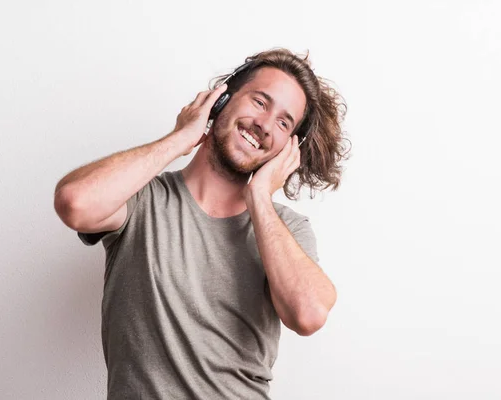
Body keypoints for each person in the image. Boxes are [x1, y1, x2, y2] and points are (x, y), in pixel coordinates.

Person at [54, 48, 350, 399]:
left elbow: (309, 314)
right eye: (260, 102)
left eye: (284, 123)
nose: (266, 125)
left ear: (289, 147)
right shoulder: (141, 200)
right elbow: (74, 202)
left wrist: (259, 198)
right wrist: (180, 138)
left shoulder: (285, 229)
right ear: (221, 99)